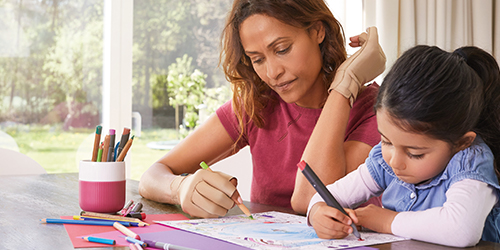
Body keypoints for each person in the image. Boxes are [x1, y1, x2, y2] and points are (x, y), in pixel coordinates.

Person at [138, 0, 386, 218]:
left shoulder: (374, 110)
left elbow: (310, 198)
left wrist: (344, 87)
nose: (272, 73)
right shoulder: (258, 104)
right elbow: (152, 176)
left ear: (317, 30)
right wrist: (180, 189)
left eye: (282, 49)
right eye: (257, 59)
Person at [307, 45, 500, 247]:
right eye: (386, 141)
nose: (395, 161)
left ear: (461, 142)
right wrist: (318, 212)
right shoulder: (386, 161)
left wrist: (387, 221)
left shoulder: (470, 161)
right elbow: (328, 196)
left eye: (415, 153)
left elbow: (461, 230)